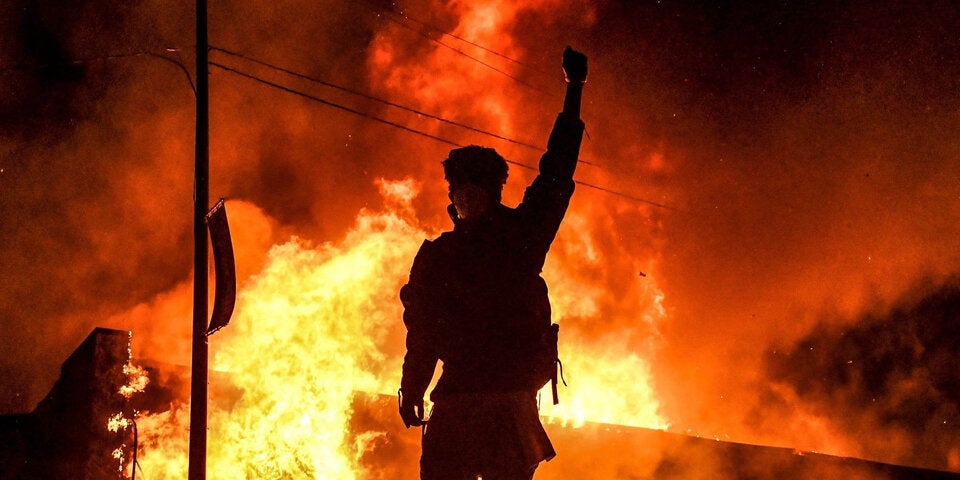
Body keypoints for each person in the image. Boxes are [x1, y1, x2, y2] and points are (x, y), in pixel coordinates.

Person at [398, 46, 588, 480]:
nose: (466, 194)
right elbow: (423, 332)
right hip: (466, 401)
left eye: (474, 185)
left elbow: (556, 174)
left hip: (501, 404)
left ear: (494, 190)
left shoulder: (520, 239)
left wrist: (573, 93)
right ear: (451, 194)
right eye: (460, 186)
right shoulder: (441, 256)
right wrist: (413, 386)